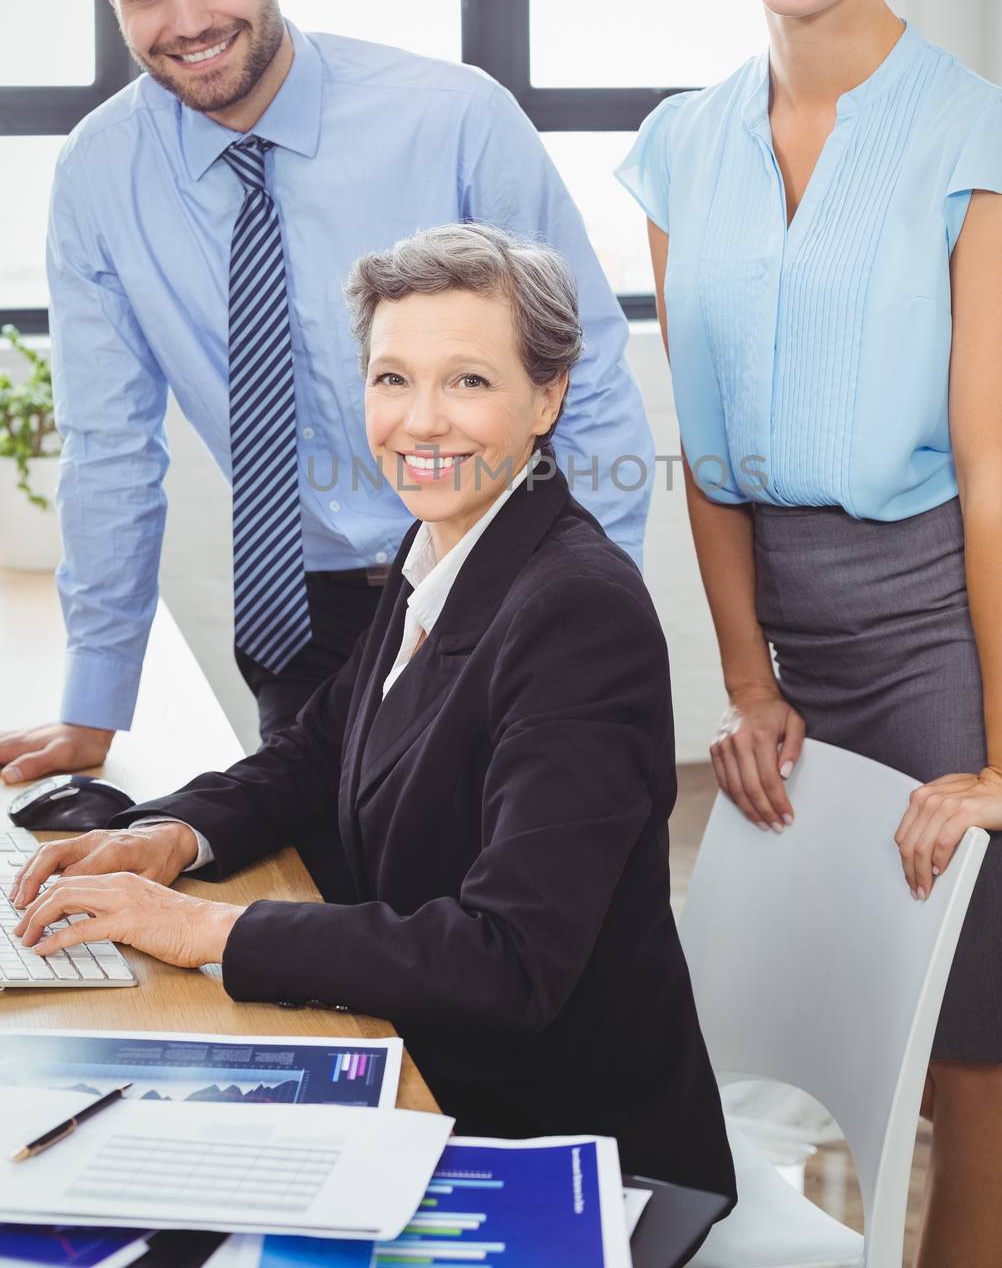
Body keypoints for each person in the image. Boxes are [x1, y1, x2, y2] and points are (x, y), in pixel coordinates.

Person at [10, 223, 736, 1205]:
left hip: (558, 1148)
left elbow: (509, 960)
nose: (420, 421)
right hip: (435, 1068)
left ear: (547, 397)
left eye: (467, 381)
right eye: (392, 378)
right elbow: (319, 751)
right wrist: (170, 838)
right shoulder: (443, 541)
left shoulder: (576, 614)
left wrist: (208, 933)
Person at [615, 0, 1002, 1268]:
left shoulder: (981, 141)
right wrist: (744, 680)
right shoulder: (680, 149)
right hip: (798, 624)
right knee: (859, 1002)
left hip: (954, 610)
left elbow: (995, 490)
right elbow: (712, 460)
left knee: (968, 1050)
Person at [0, 0, 653, 822]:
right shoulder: (99, 176)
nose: (185, 18)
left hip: (493, 581)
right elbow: (111, 451)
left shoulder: (452, 120)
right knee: (328, 918)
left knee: (516, 913)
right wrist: (95, 703)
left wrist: (583, 628)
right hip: (295, 613)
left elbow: (591, 380)